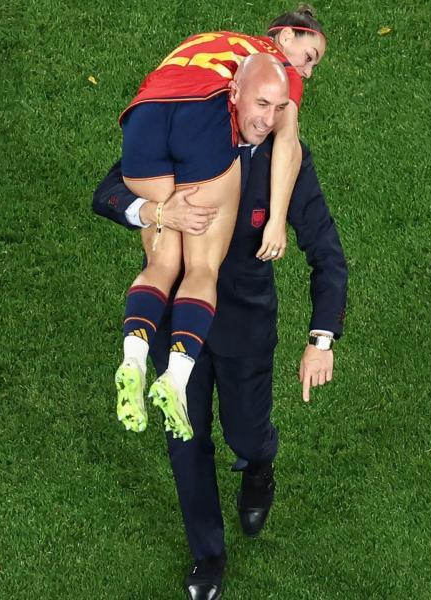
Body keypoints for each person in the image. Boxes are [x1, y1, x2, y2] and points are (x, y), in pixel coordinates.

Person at [93, 64, 347, 599]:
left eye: (281, 110)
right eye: (261, 107)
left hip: (246, 325)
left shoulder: (287, 164)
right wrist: (157, 211)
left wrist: (320, 339)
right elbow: (108, 193)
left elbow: (326, 253)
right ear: (235, 97)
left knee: (246, 433)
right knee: (185, 440)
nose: (269, 119)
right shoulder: (192, 134)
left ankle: (259, 465)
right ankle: (207, 555)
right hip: (178, 316)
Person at [116, 6, 328, 442]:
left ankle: (132, 358)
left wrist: (158, 211)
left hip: (142, 117)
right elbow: (286, 145)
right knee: (200, 267)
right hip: (201, 120)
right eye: (310, 56)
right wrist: (275, 220)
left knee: (164, 254)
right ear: (285, 36)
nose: (306, 72)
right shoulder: (274, 69)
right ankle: (175, 380)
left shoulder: (215, 41)